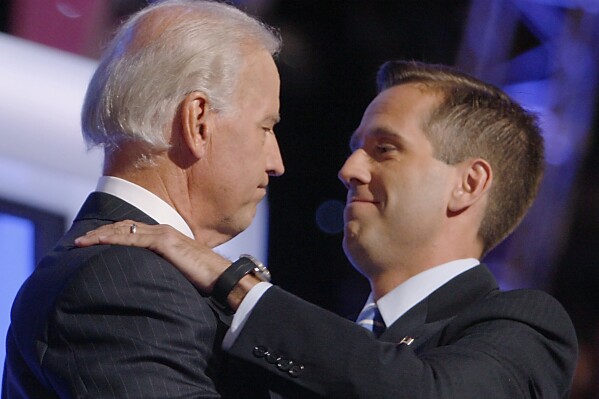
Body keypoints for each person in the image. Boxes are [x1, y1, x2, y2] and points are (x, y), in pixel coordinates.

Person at [74, 60, 578, 398]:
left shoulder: (525, 329)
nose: (349, 168)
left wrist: (234, 284)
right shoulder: (321, 341)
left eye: (384, 149)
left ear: (468, 184)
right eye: (357, 146)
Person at [2, 1, 284, 398]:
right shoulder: (124, 285)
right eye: (265, 128)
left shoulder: (129, 274)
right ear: (198, 122)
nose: (276, 163)